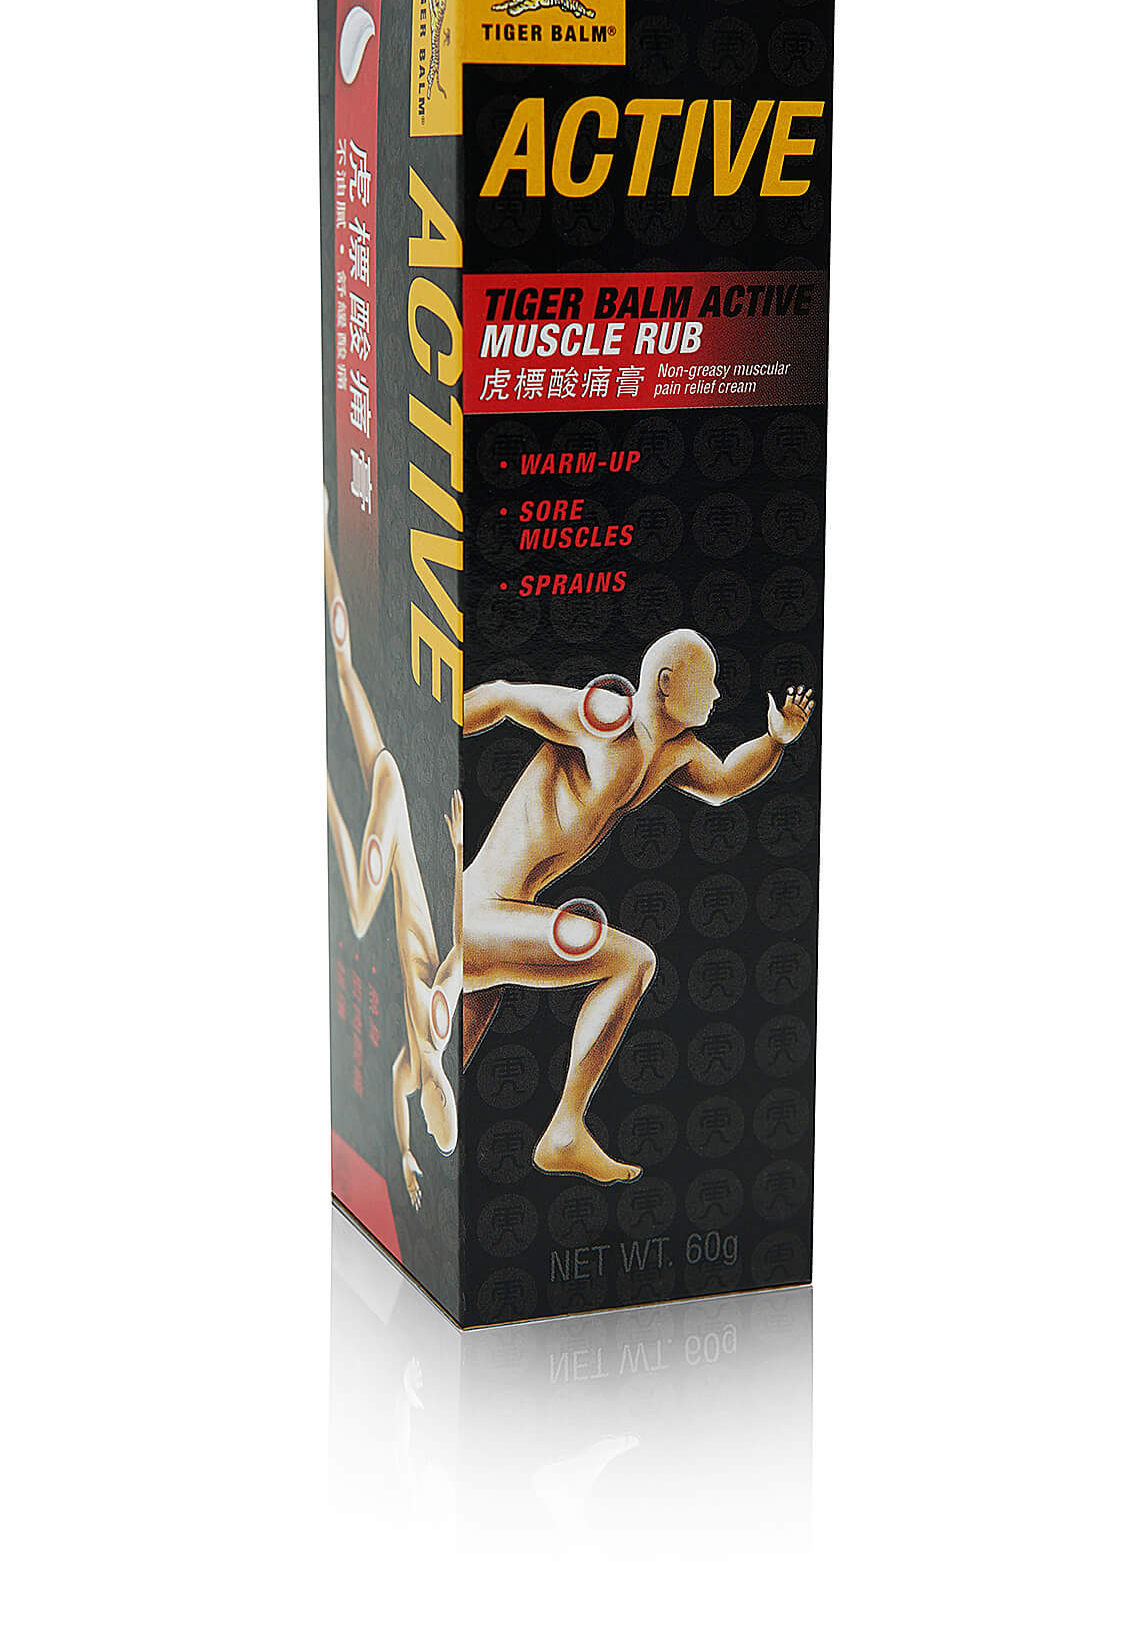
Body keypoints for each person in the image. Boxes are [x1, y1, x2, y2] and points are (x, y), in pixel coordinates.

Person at [461, 629, 813, 1184]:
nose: (717, 695)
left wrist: (775, 740)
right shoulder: (605, 717)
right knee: (632, 961)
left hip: (501, 919)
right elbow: (504, 695)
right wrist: (429, 734)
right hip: (477, 913)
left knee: (438, 1075)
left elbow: (724, 783)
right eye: (708, 682)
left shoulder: (674, 753)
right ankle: (565, 1130)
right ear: (666, 684)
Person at [323, 504, 461, 1209]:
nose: (432, 1111)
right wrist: (458, 851)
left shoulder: (413, 1061)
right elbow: (461, 942)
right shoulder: (437, 1019)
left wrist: (404, 1151)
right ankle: (323, 789)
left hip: (392, 793)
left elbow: (393, 1092)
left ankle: (322, 529)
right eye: (439, 1116)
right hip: (395, 806)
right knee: (356, 911)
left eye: (434, 1120)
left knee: (344, 667)